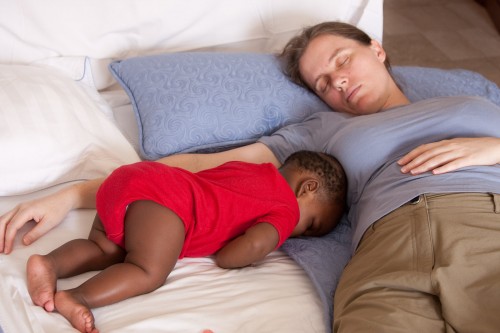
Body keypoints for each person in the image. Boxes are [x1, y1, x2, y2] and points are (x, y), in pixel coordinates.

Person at [2, 20, 500, 332]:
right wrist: (73, 195)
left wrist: (494, 146)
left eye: (342, 60)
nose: (338, 80)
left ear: (377, 48)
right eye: (322, 82)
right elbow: (196, 172)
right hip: (383, 246)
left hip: (481, 219)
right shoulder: (320, 133)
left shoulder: (473, 100)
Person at [25, 150, 346, 333]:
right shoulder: (287, 209)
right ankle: (77, 297)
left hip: (128, 181)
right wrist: (247, 253)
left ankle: (47, 263)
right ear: (308, 188)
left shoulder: (253, 170)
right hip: (167, 204)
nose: (299, 233)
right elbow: (244, 250)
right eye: (312, 226)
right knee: (147, 270)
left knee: (105, 248)